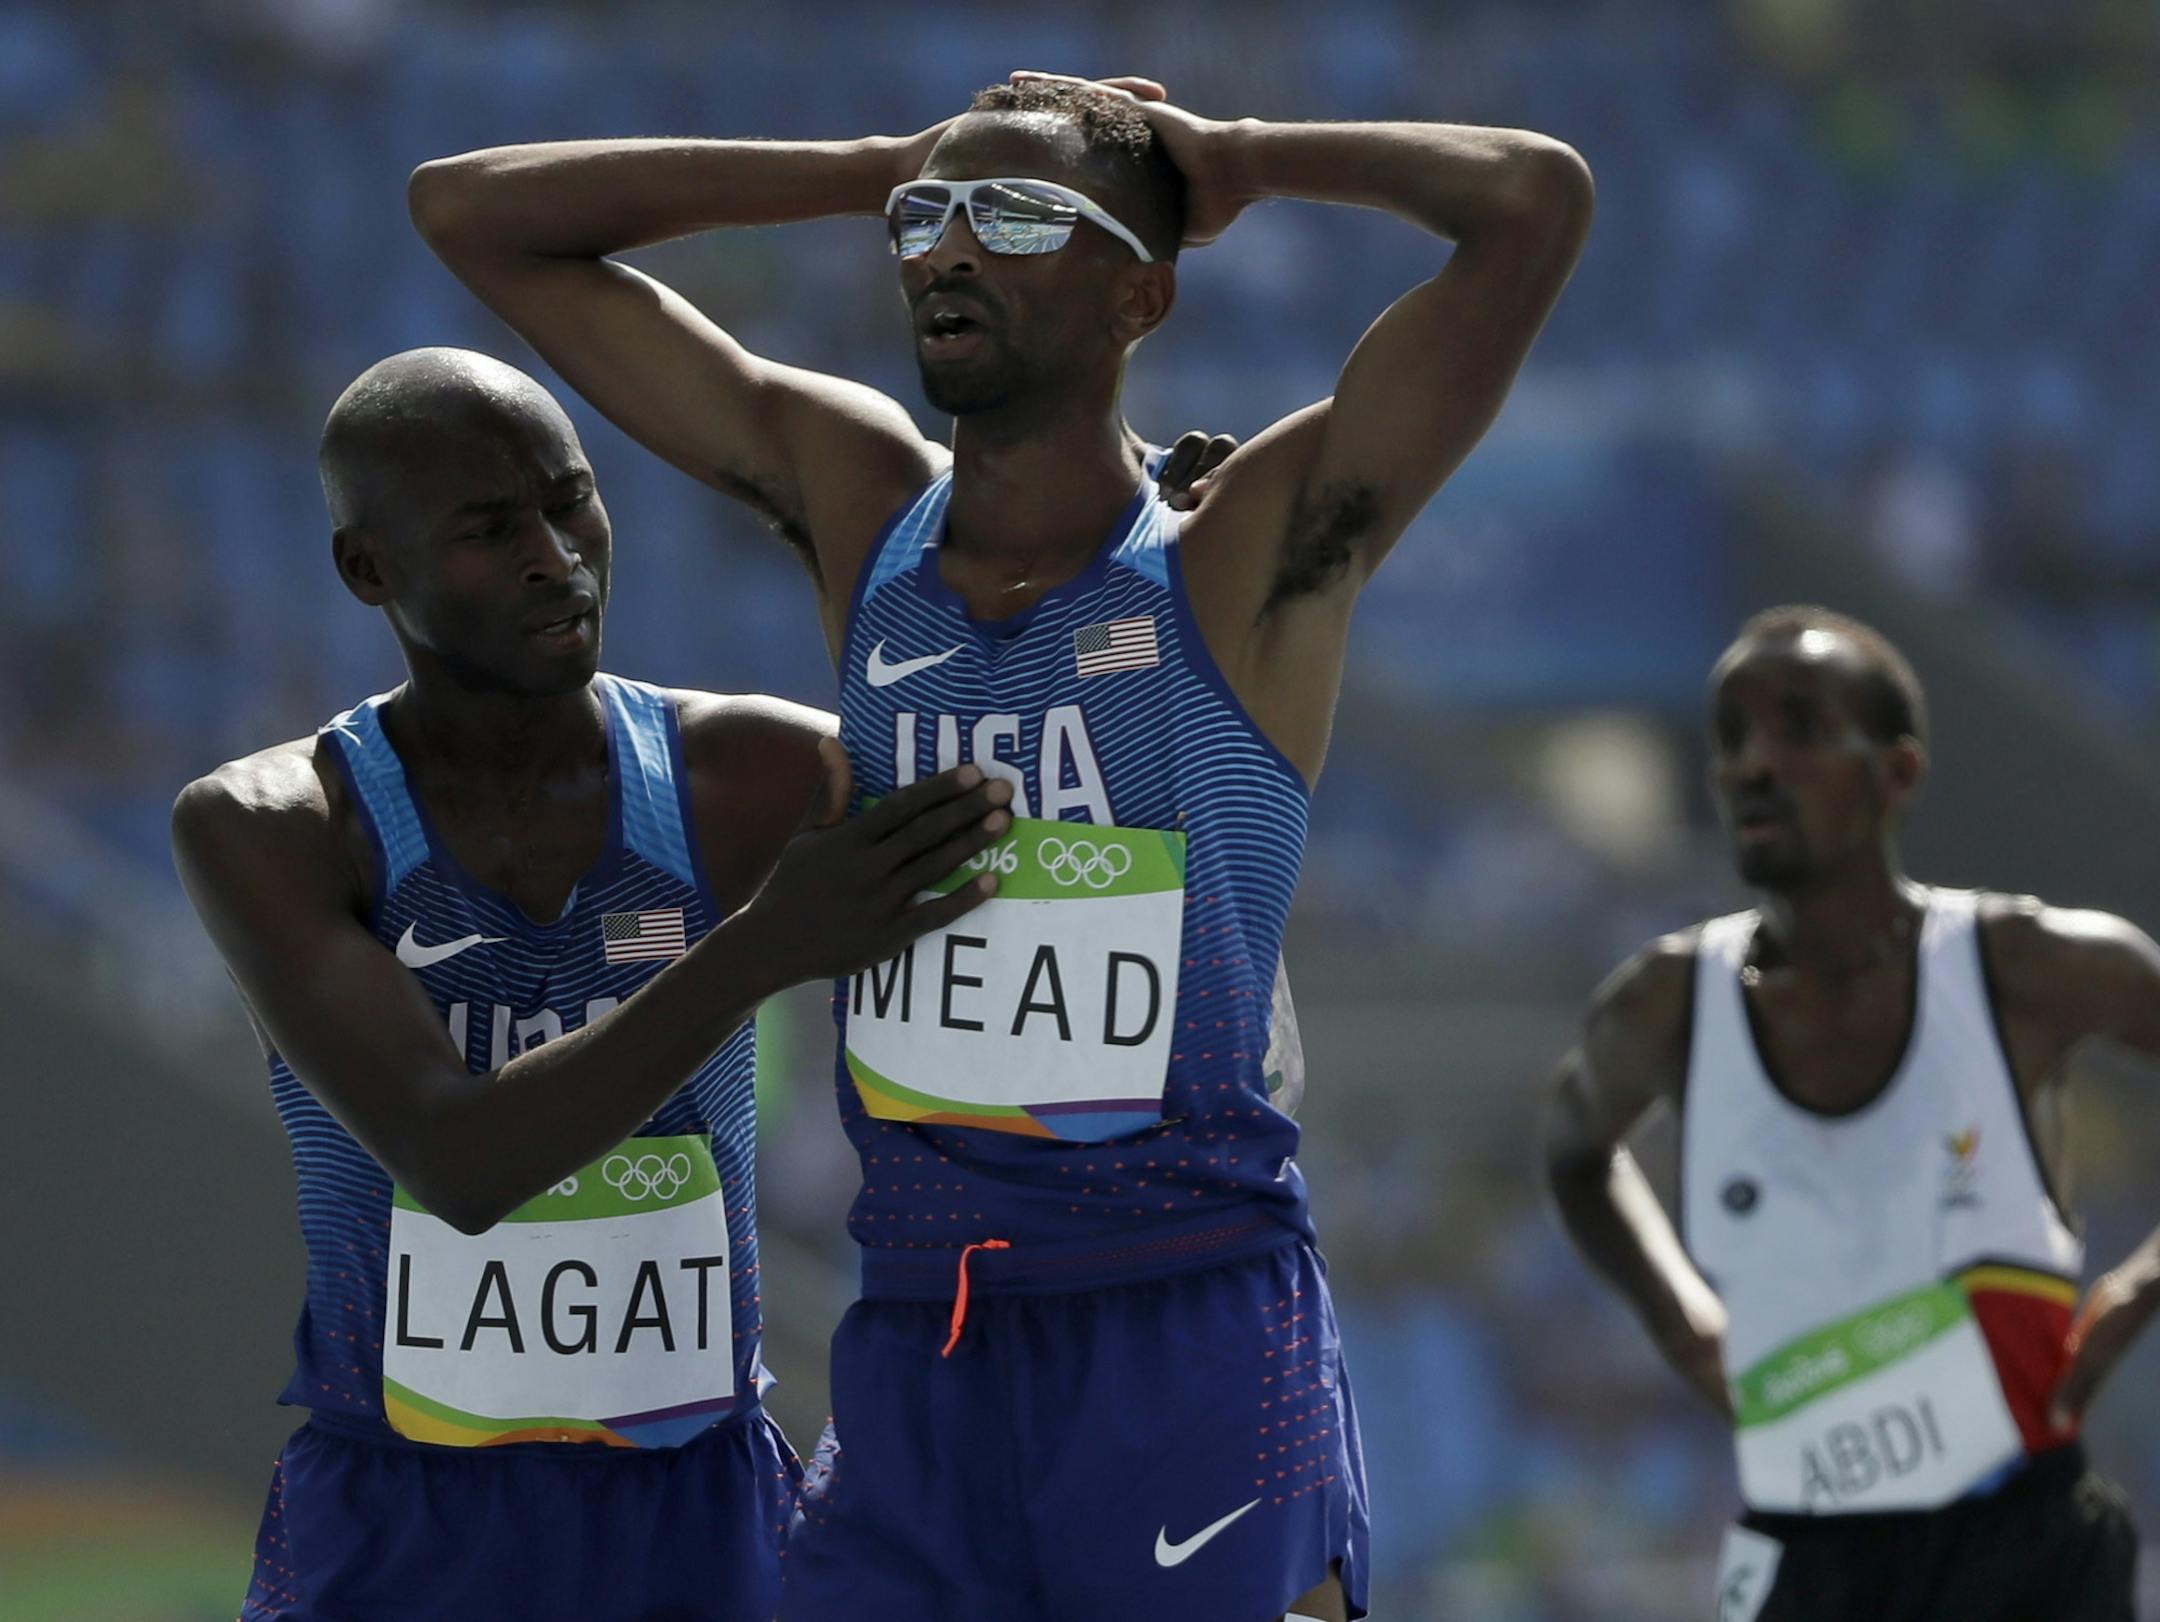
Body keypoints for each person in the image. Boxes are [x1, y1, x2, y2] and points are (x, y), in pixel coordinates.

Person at [412, 72, 1593, 1621]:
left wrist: (1238, 157)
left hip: (1182, 1319)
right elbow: (474, 215)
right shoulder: (862, 501)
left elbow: (1531, 202)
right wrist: (867, 162)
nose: (951, 249)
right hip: (922, 1341)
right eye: (930, 224)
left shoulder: (1243, 549)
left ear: (1140, 292)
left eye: (1020, 217)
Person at [170, 347, 1017, 1622]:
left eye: (571, 499)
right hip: (408, 1515)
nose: (557, 556)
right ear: (369, 569)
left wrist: (1155, 539)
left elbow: (1038, 797)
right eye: (488, 528)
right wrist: (760, 944)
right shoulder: (273, 825)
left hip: (695, 1503)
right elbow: (456, 1162)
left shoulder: (749, 774)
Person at [1544, 605, 2147, 1622]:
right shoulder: (1666, 1003)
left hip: (2027, 1549)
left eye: (1798, 729)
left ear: (1895, 772)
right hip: (1805, 1557)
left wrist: (2140, 1287)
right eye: (1729, 738)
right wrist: (1683, 1321)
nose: (1750, 765)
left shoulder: (2023, 968)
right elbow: (1573, 1152)